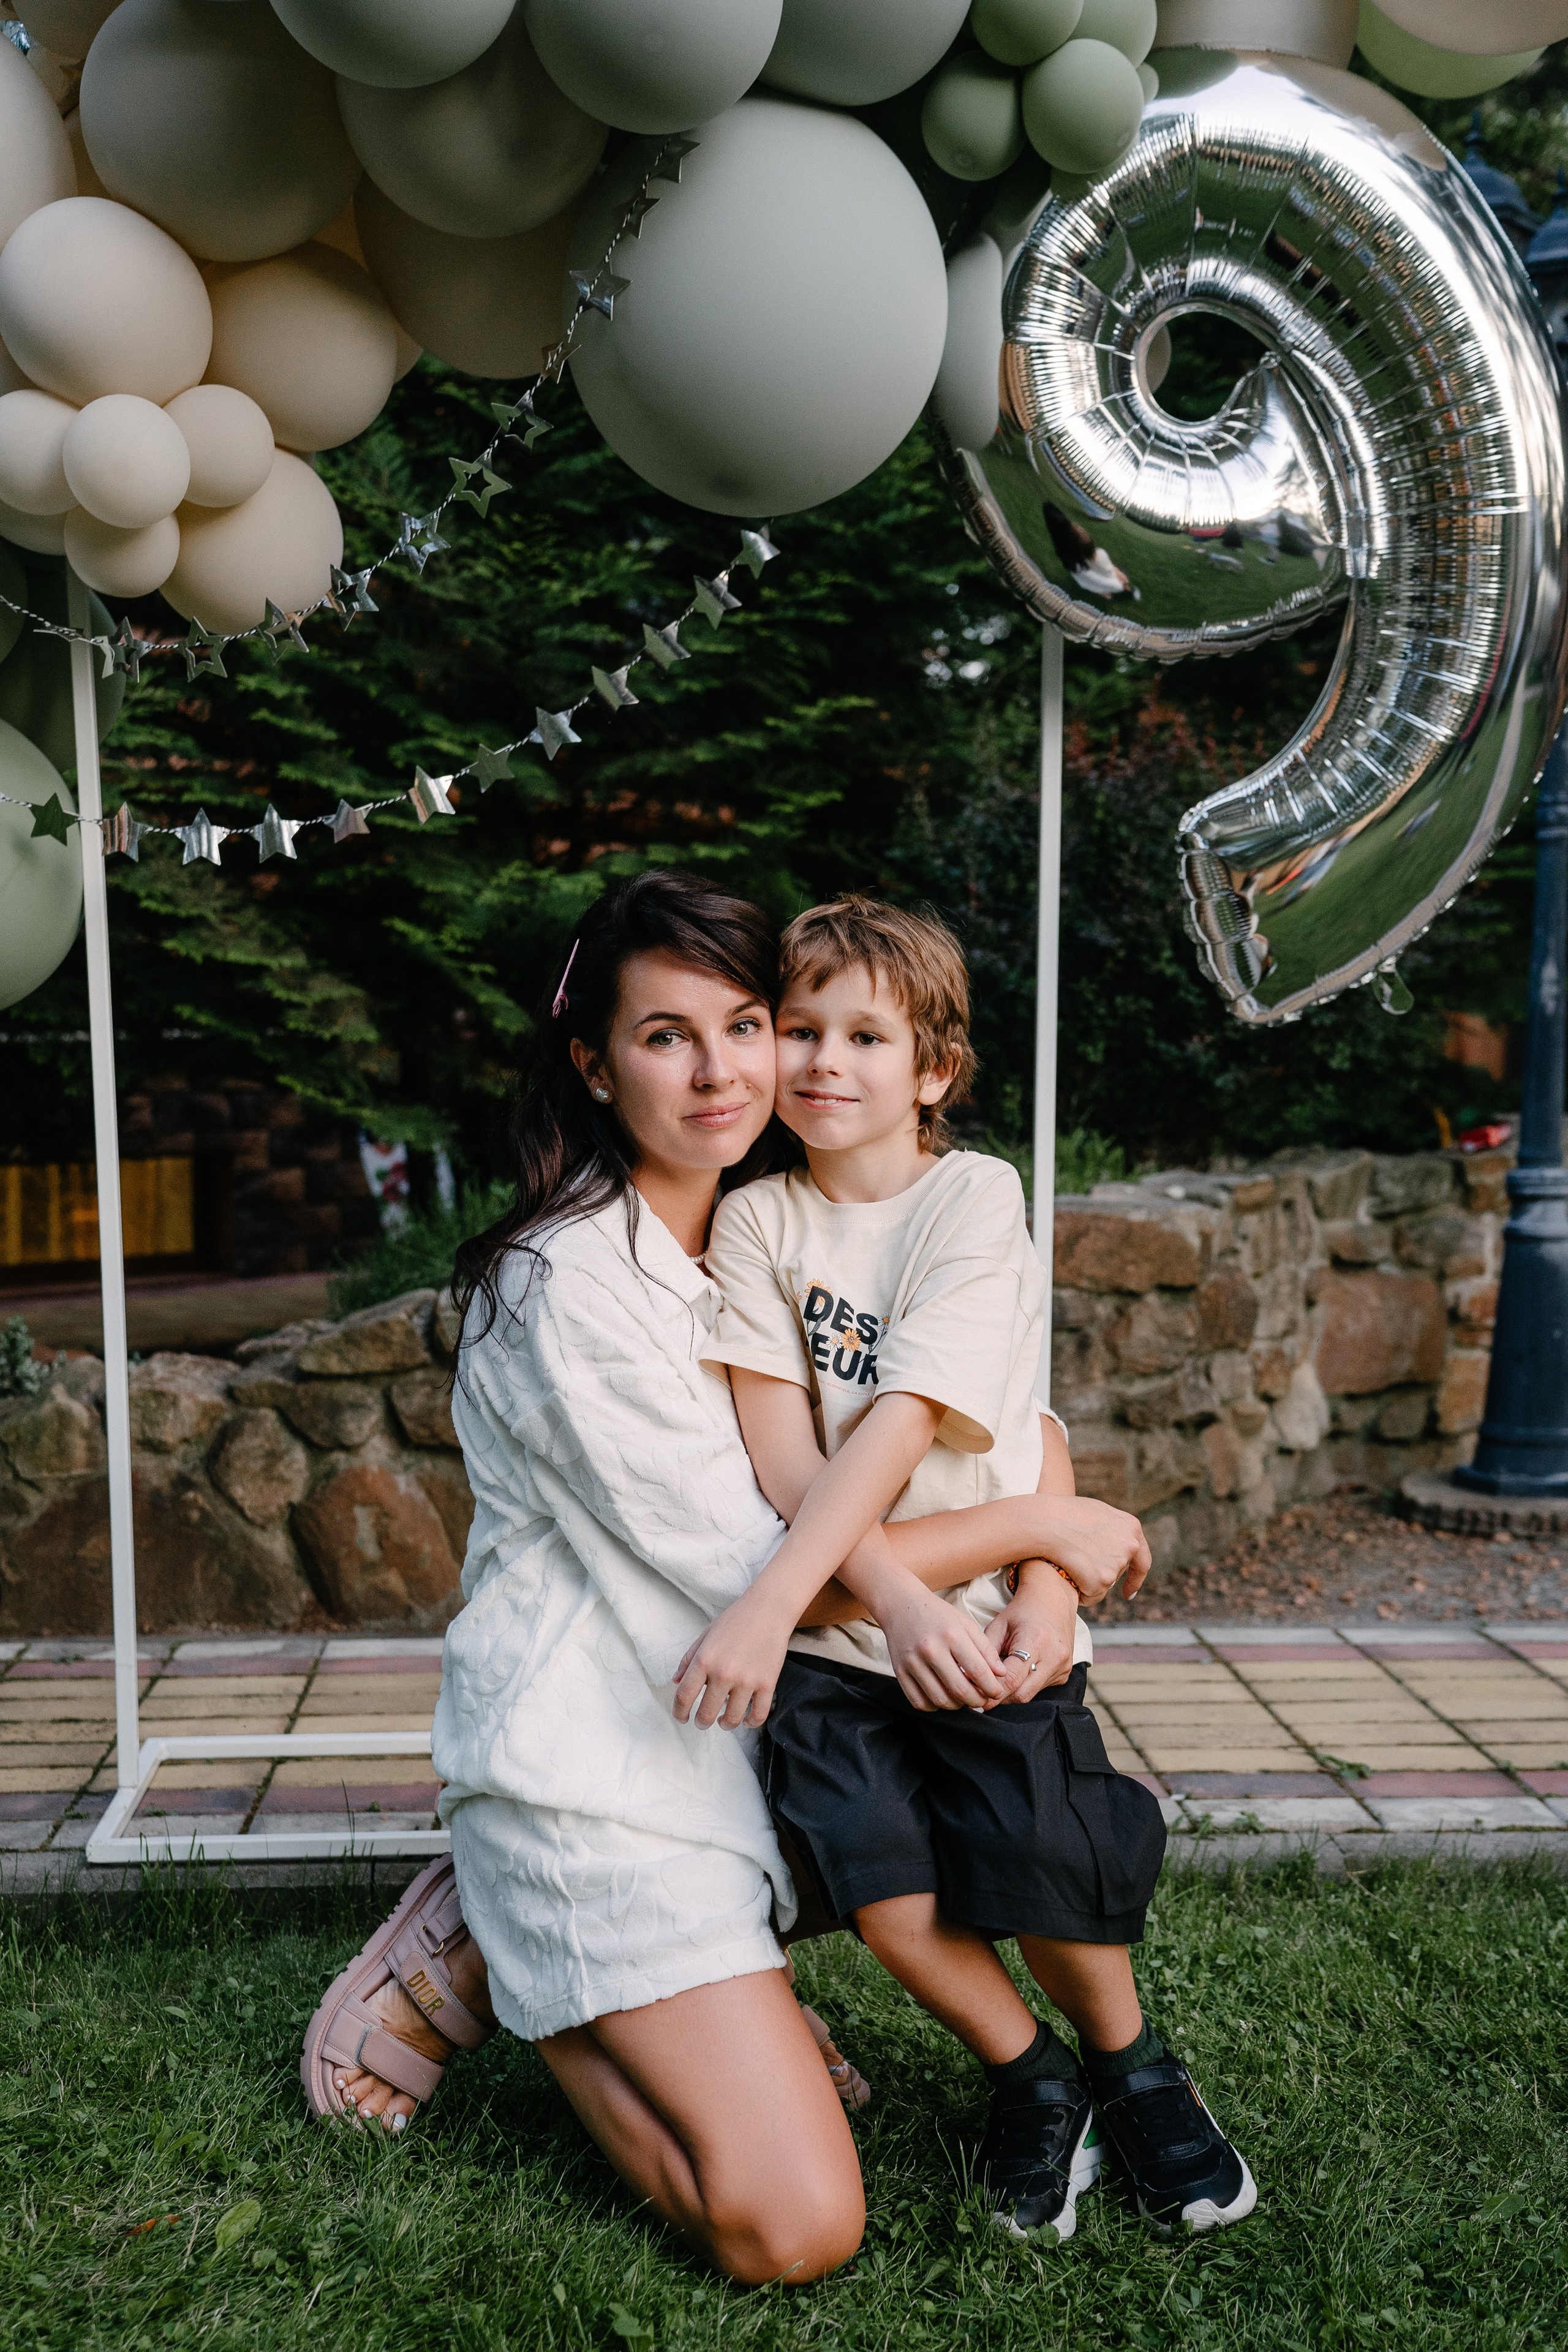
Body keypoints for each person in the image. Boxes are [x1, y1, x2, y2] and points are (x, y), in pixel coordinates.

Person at [300, 871, 1150, 2285]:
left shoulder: (794, 1216)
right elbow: (777, 1574)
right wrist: (1038, 1535)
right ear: (593, 1064)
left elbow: (995, 1407)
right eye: (663, 1037)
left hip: (767, 1731)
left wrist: (1046, 1583)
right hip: (605, 1768)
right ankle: (513, 1966)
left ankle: (690, 1996)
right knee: (793, 2229)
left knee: (962, 1757)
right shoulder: (567, 1289)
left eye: (746, 1024)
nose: (720, 1072)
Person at [682, 895, 1257, 2239]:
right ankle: (1031, 2079)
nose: (824, 1062)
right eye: (802, 1029)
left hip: (989, 1623)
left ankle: (1134, 2072)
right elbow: (782, 1465)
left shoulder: (972, 1195)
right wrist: (879, 1602)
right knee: (888, 1900)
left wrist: (1036, 1588)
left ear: (930, 1071)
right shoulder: (756, 1222)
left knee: (1044, 1864)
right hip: (837, 1646)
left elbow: (918, 1422)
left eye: (864, 1036)